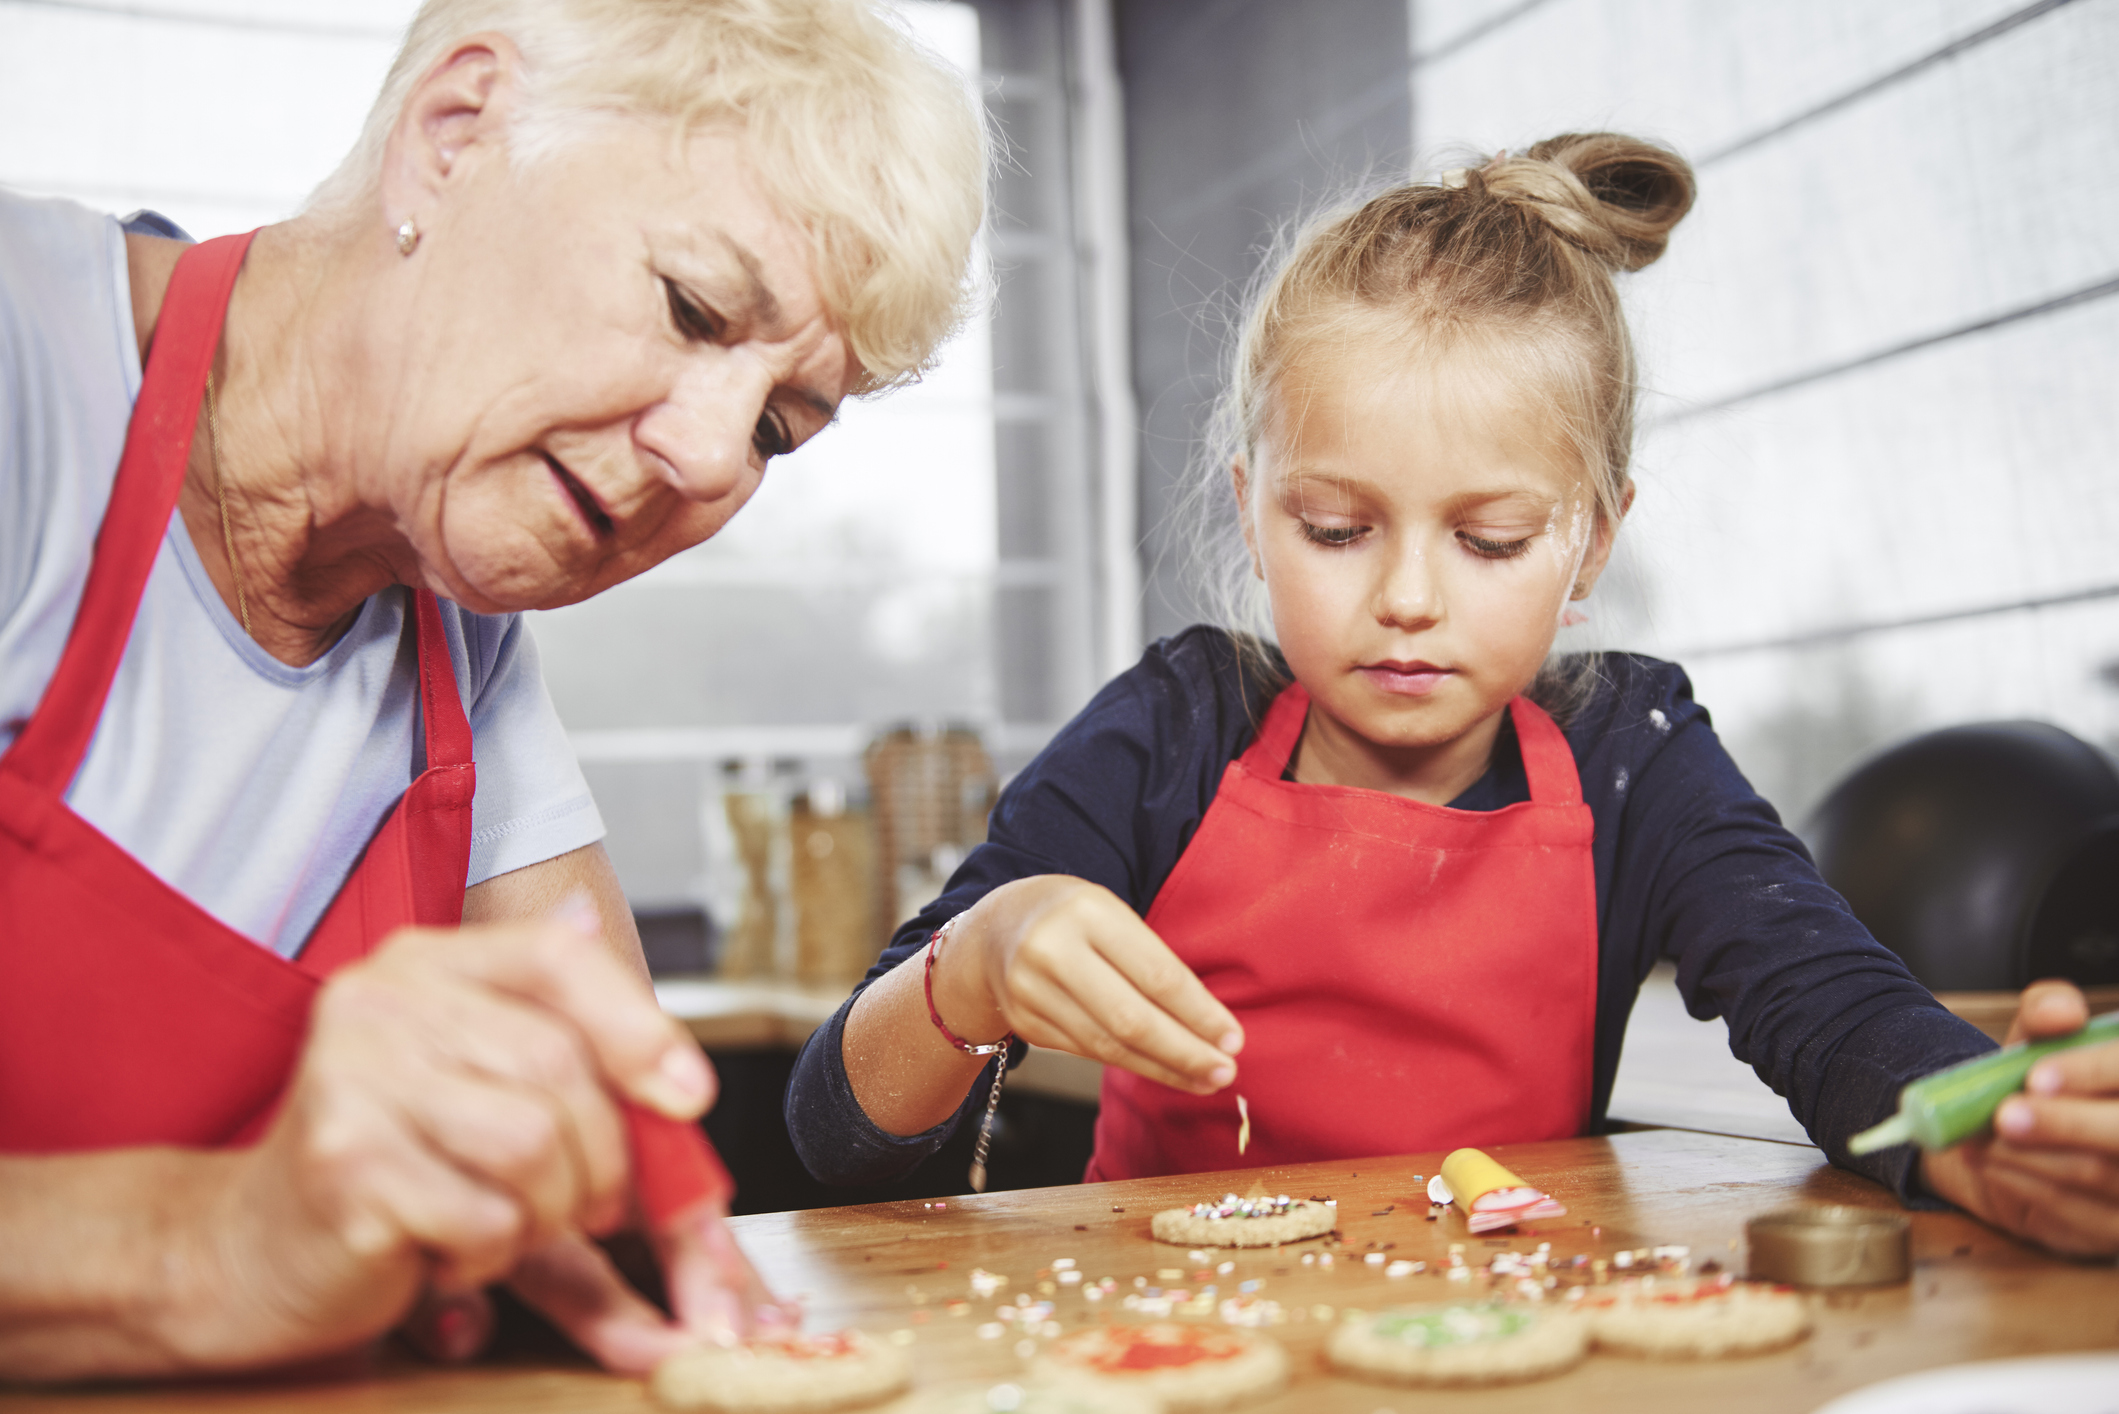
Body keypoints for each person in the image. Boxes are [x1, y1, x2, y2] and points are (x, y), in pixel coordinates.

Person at [788, 133, 2119, 1258]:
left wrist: (1984, 1124)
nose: (1409, 598)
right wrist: (974, 968)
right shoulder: (1170, 734)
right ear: (1252, 514)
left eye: (1487, 542)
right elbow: (832, 1133)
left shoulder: (1630, 755)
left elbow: (1831, 1013)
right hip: (1171, 1344)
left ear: (1592, 540)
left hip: (1505, 1330)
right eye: (1334, 527)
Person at [0, 0, 985, 1381]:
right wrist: (213, 1242)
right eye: (694, 305)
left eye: (775, 426)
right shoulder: (23, 367)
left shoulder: (458, 629)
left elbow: (631, 1160)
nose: (713, 465)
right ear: (454, 133)